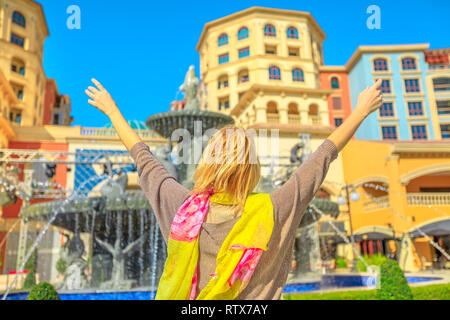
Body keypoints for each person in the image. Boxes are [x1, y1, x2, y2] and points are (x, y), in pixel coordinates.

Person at [85, 78, 383, 300]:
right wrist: (359, 112)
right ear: (252, 169)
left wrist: (113, 112)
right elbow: (321, 158)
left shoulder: (180, 207)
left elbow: (143, 157)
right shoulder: (273, 209)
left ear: (206, 163)